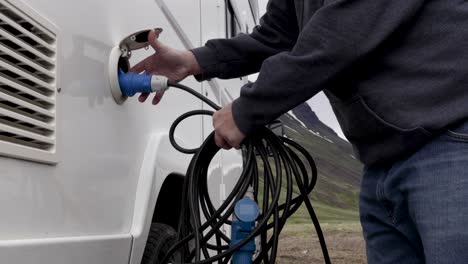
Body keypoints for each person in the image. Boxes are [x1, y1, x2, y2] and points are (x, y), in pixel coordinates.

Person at [130, 0, 468, 263]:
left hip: (449, 143)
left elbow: (346, 29)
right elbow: (278, 35)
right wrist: (195, 60)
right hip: (381, 161)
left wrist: (248, 108)